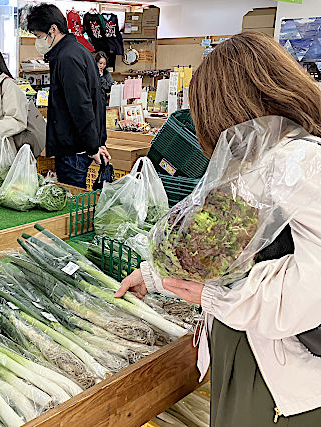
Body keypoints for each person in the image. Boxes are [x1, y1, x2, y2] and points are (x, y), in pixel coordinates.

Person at [115, 32, 321, 426]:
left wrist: (216, 297)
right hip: (253, 351)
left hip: (289, 385)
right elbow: (230, 252)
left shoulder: (303, 162)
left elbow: (312, 288)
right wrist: (156, 275)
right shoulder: (262, 158)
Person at [26, 3, 109, 188]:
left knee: (73, 206)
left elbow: (81, 106)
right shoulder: (76, 51)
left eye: (39, 36)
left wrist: (93, 146)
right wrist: (96, 142)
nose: (38, 41)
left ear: (53, 29)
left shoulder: (67, 58)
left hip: (74, 151)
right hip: (79, 147)